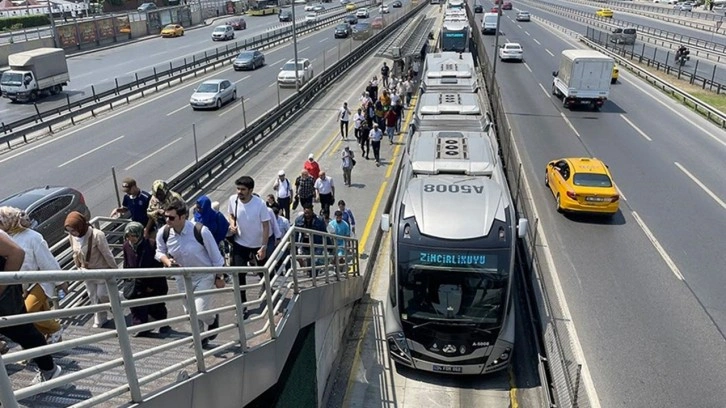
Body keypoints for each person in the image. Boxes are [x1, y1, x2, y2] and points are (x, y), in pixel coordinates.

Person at [156, 199, 224, 347]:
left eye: (171, 218)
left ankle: (212, 320)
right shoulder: (164, 232)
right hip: (182, 276)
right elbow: (159, 251)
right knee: (190, 313)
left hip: (203, 274)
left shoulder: (200, 231)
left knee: (200, 310)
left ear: (182, 217)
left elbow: (216, 257)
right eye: (165, 217)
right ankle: (201, 338)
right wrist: (167, 261)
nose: (167, 220)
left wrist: (219, 276)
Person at [0, 231, 64, 385]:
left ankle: (49, 369)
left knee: (22, 330)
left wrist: (1, 286)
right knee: (21, 330)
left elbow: (16, 253)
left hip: (4, 296)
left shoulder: (32, 237)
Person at [0, 207, 66, 343]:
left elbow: (47, 261)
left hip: (39, 281)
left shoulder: (33, 237)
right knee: (37, 314)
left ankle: (55, 329)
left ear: (9, 221)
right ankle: (46, 343)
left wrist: (61, 282)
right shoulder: (6, 238)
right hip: (20, 285)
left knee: (28, 312)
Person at [65, 211, 117, 328]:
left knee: (102, 294)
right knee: (93, 296)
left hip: (101, 271)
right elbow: (75, 253)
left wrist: (114, 270)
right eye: (69, 231)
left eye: (73, 230)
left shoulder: (97, 235)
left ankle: (117, 304)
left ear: (80, 226)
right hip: (86, 272)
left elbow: (107, 254)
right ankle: (100, 319)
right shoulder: (72, 237)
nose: (72, 233)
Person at [227, 177, 271, 307]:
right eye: (238, 189)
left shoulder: (260, 204)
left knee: (264, 271)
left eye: (243, 189)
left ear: (251, 190)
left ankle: (268, 291)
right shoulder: (232, 200)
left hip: (257, 245)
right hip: (240, 243)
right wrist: (232, 224)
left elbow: (266, 226)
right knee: (239, 275)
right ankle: (242, 304)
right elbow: (230, 214)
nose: (239, 192)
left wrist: (264, 246)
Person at [122, 222, 169, 337]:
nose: (131, 239)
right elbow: (126, 263)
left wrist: (152, 285)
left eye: (134, 236)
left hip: (153, 281)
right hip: (135, 281)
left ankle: (163, 323)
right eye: (128, 236)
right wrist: (126, 279)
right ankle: (139, 326)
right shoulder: (126, 246)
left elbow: (157, 265)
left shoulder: (151, 245)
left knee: (156, 305)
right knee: (135, 305)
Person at [293, 204, 327, 273]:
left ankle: (315, 275)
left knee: (315, 261)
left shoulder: (319, 220)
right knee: (309, 262)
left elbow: (325, 234)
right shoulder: (299, 220)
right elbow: (296, 235)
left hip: (317, 244)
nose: (307, 215)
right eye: (306, 213)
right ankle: (311, 276)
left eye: (309, 213)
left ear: (312, 211)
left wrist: (329, 247)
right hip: (305, 244)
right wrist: (295, 248)